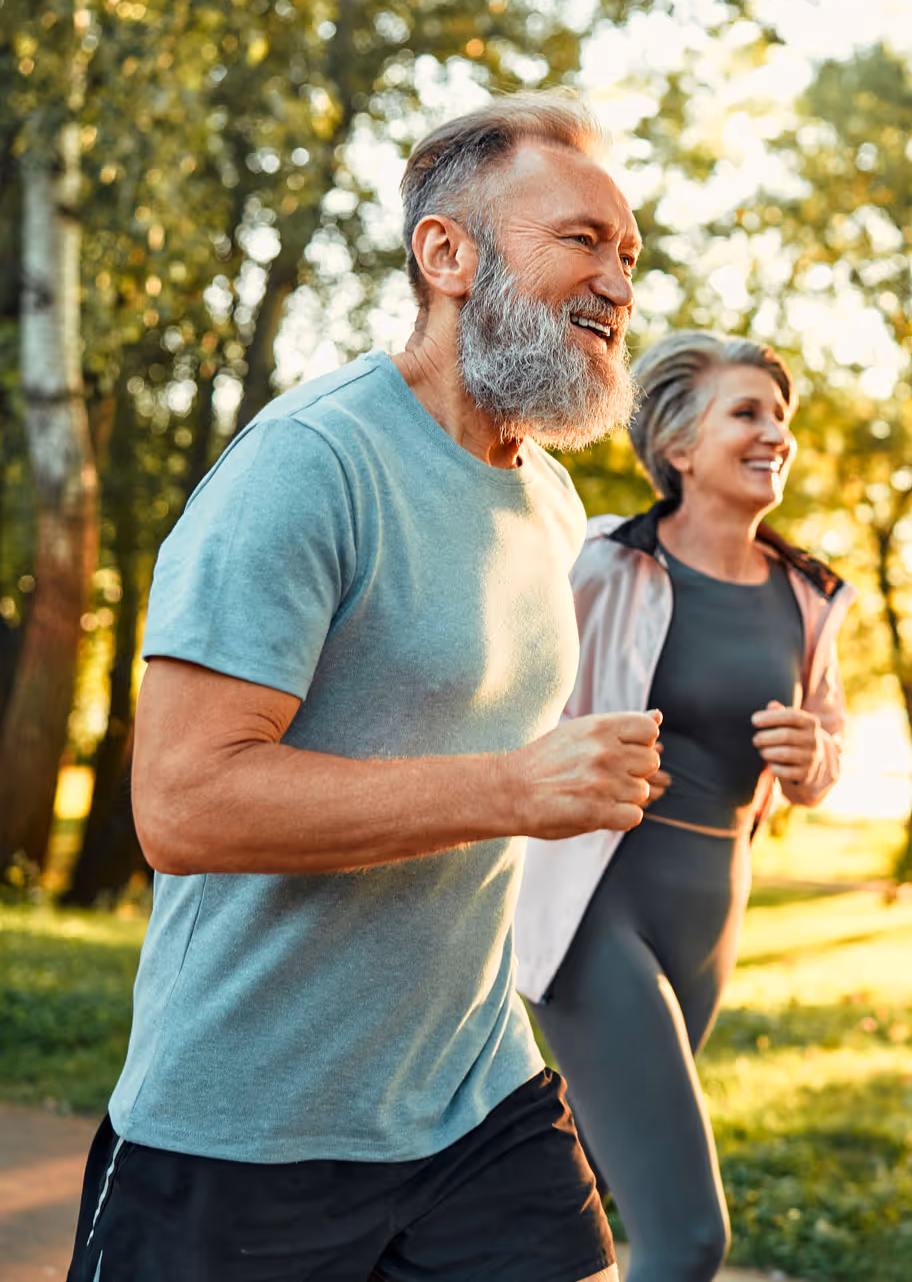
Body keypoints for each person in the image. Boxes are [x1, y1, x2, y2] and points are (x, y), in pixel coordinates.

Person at [66, 91, 663, 1282]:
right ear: (446, 254)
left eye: (631, 256)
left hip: (471, 1092)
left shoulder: (545, 499)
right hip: (245, 1121)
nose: (618, 285)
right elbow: (182, 806)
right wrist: (509, 788)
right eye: (581, 241)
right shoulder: (309, 467)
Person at [515, 331, 855, 1282]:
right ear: (678, 447)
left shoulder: (808, 595)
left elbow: (827, 750)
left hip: (708, 911)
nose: (774, 434)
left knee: (570, 1189)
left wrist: (812, 754)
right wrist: (582, 756)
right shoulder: (596, 562)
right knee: (687, 1237)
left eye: (780, 417)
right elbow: (512, 704)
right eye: (746, 412)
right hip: (594, 905)